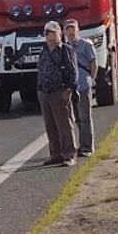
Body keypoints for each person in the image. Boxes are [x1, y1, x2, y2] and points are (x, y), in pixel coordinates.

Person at [35, 20, 79, 167]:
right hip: (45, 93)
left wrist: (69, 90)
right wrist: (40, 90)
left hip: (60, 91)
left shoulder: (66, 50)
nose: (49, 36)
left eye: (52, 33)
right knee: (50, 126)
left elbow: (73, 72)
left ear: (59, 34)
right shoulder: (44, 51)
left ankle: (69, 154)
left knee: (64, 125)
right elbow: (40, 70)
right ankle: (56, 154)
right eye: (47, 33)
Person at [65, 18, 99, 157]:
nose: (71, 34)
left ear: (77, 30)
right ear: (65, 33)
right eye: (68, 31)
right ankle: (82, 145)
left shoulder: (86, 45)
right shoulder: (65, 48)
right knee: (77, 119)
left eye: (73, 31)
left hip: (84, 86)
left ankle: (87, 148)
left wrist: (92, 80)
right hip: (72, 88)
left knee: (85, 118)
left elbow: (94, 64)